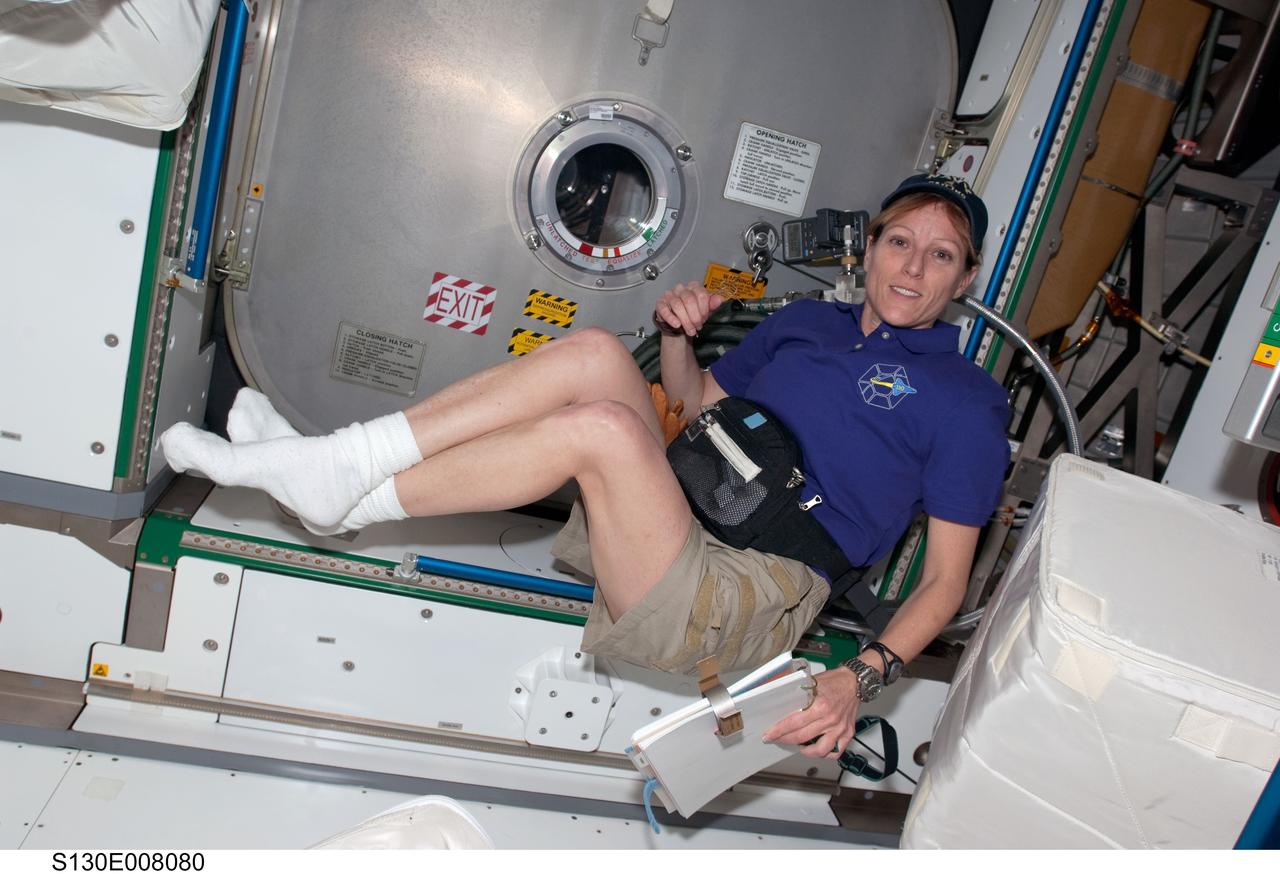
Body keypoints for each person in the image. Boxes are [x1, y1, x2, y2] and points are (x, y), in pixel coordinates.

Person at [160, 174, 1008, 762]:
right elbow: (699, 404)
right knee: (601, 354)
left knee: (602, 427)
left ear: (965, 278)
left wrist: (864, 678)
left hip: (749, 585)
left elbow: (943, 584)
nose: (914, 266)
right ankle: (339, 471)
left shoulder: (967, 401)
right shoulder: (806, 327)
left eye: (941, 256)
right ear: (868, 250)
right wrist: (678, 338)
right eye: (901, 241)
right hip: (693, 496)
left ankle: (334, 481)